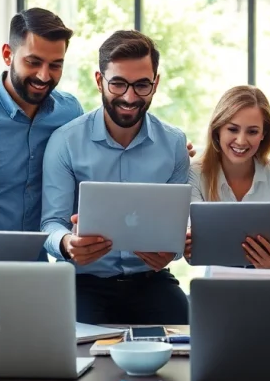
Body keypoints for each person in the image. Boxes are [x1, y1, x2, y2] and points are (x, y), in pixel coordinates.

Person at [41, 30, 190, 324]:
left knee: (187, 343)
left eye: (142, 85)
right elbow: (50, 224)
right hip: (83, 282)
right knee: (72, 348)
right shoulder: (65, 141)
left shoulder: (174, 144)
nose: (130, 97)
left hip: (151, 280)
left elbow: (179, 226)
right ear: (100, 81)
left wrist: (171, 253)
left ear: (155, 83)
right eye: (118, 83)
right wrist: (66, 244)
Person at [0, 8, 83, 243]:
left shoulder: (70, 112)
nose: (43, 76)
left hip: (39, 265)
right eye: (33, 62)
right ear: (7, 54)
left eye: (55, 65)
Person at [185, 85, 270, 269]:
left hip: (268, 281)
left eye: (252, 131)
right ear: (218, 130)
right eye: (233, 129)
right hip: (218, 283)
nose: (241, 141)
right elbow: (193, 250)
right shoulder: (196, 173)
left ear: (263, 135)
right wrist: (188, 248)